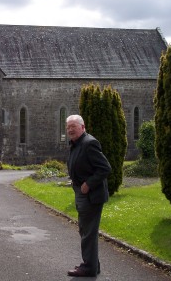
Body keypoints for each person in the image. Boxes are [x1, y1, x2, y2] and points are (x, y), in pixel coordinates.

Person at [65, 115, 112, 277]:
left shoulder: (89, 143)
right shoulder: (76, 144)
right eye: (68, 127)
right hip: (82, 193)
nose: (70, 129)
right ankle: (93, 265)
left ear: (83, 127)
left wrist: (88, 184)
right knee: (86, 230)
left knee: (88, 233)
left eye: (73, 126)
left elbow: (105, 168)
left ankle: (88, 267)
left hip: (91, 195)